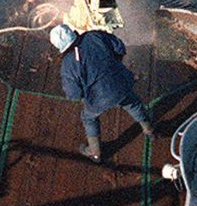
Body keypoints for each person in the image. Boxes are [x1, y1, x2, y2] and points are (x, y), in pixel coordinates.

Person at [50, 23, 154, 163]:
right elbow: (119, 47)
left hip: (98, 99)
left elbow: (73, 94)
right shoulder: (94, 36)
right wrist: (114, 66)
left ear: (60, 47)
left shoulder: (67, 66)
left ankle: (96, 152)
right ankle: (149, 130)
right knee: (133, 104)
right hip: (121, 82)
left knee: (88, 118)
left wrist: (85, 93)